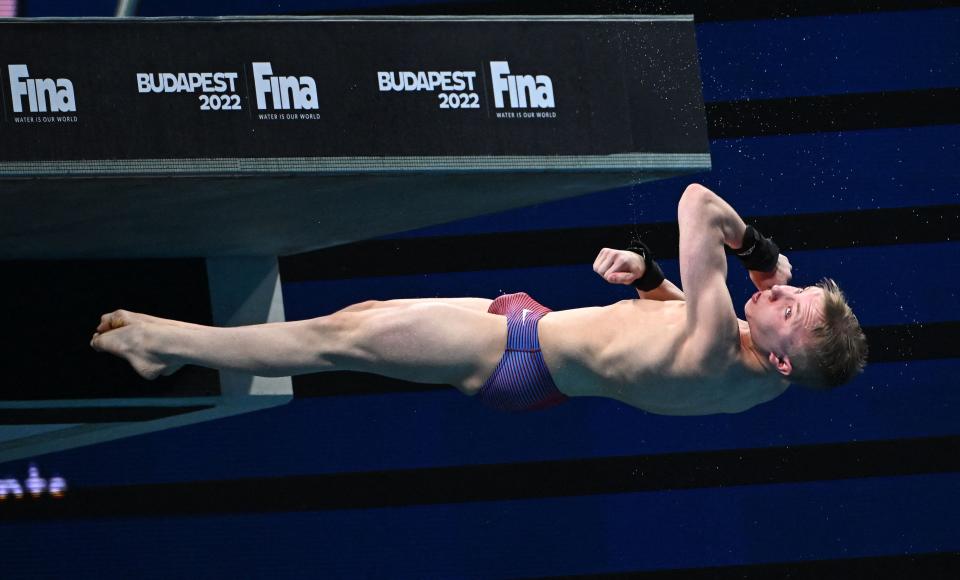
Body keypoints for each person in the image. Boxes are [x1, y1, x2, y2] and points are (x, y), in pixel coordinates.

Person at [90, 184, 868, 415]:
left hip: (517, 355)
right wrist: (650, 277)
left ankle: (165, 345)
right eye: (796, 291)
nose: (785, 293)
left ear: (781, 359)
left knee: (334, 340)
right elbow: (657, 343)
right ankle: (166, 352)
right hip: (540, 335)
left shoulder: (716, 341)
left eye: (792, 311)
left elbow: (700, 202)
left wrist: (761, 259)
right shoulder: (752, 370)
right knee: (357, 322)